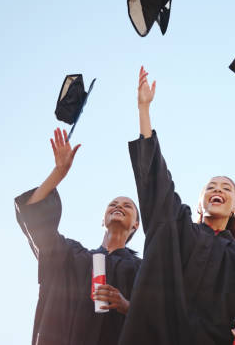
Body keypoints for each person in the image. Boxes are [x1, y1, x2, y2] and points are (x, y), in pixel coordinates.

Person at [118, 67, 235, 345]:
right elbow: (158, 183)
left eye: (226, 188)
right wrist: (144, 110)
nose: (217, 190)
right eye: (211, 187)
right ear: (199, 202)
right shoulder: (177, 227)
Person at [15, 128, 142, 345]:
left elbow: (162, 322)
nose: (119, 206)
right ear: (103, 220)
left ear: (136, 225)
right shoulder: (70, 255)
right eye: (113, 204)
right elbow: (34, 215)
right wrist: (58, 173)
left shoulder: (142, 270)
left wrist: (126, 306)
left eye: (127, 205)